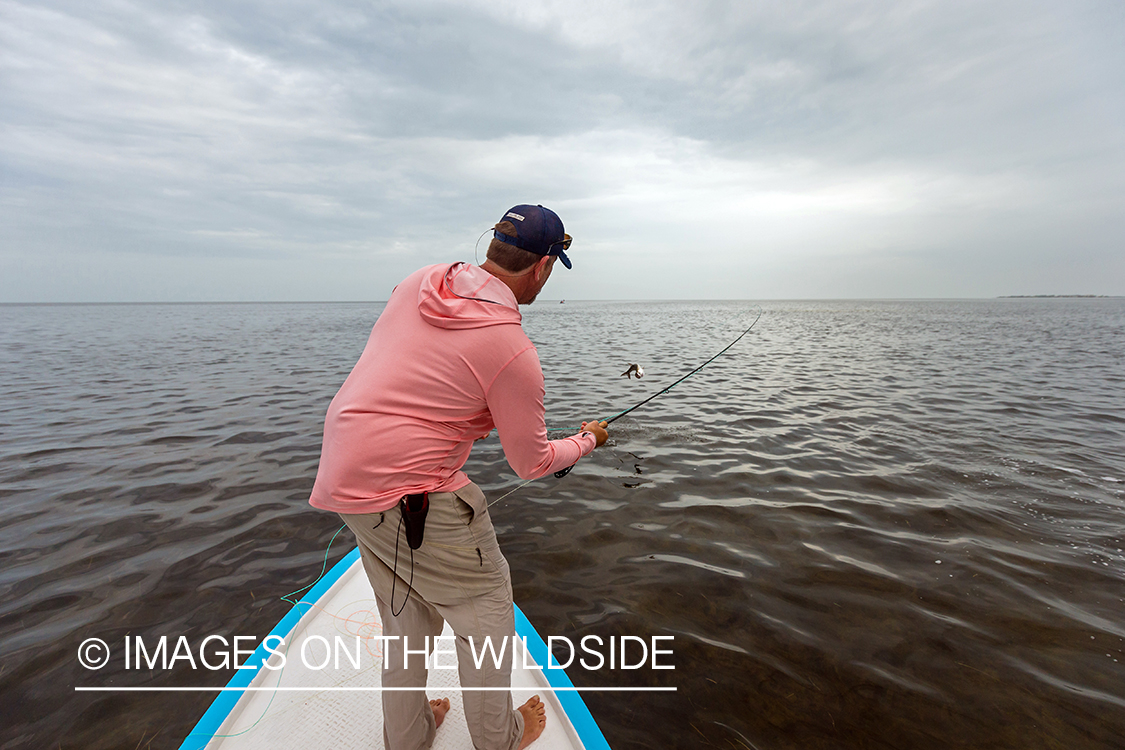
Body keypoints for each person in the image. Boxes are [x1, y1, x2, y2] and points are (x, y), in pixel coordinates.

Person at [308, 204, 610, 750]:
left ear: (493, 246)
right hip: (415, 500)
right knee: (487, 621)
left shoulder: (420, 281)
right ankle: (501, 739)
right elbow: (533, 462)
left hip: (345, 480)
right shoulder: (512, 348)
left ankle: (408, 736)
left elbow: (425, 373)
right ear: (544, 267)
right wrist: (589, 439)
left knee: (406, 626)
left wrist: (466, 414)